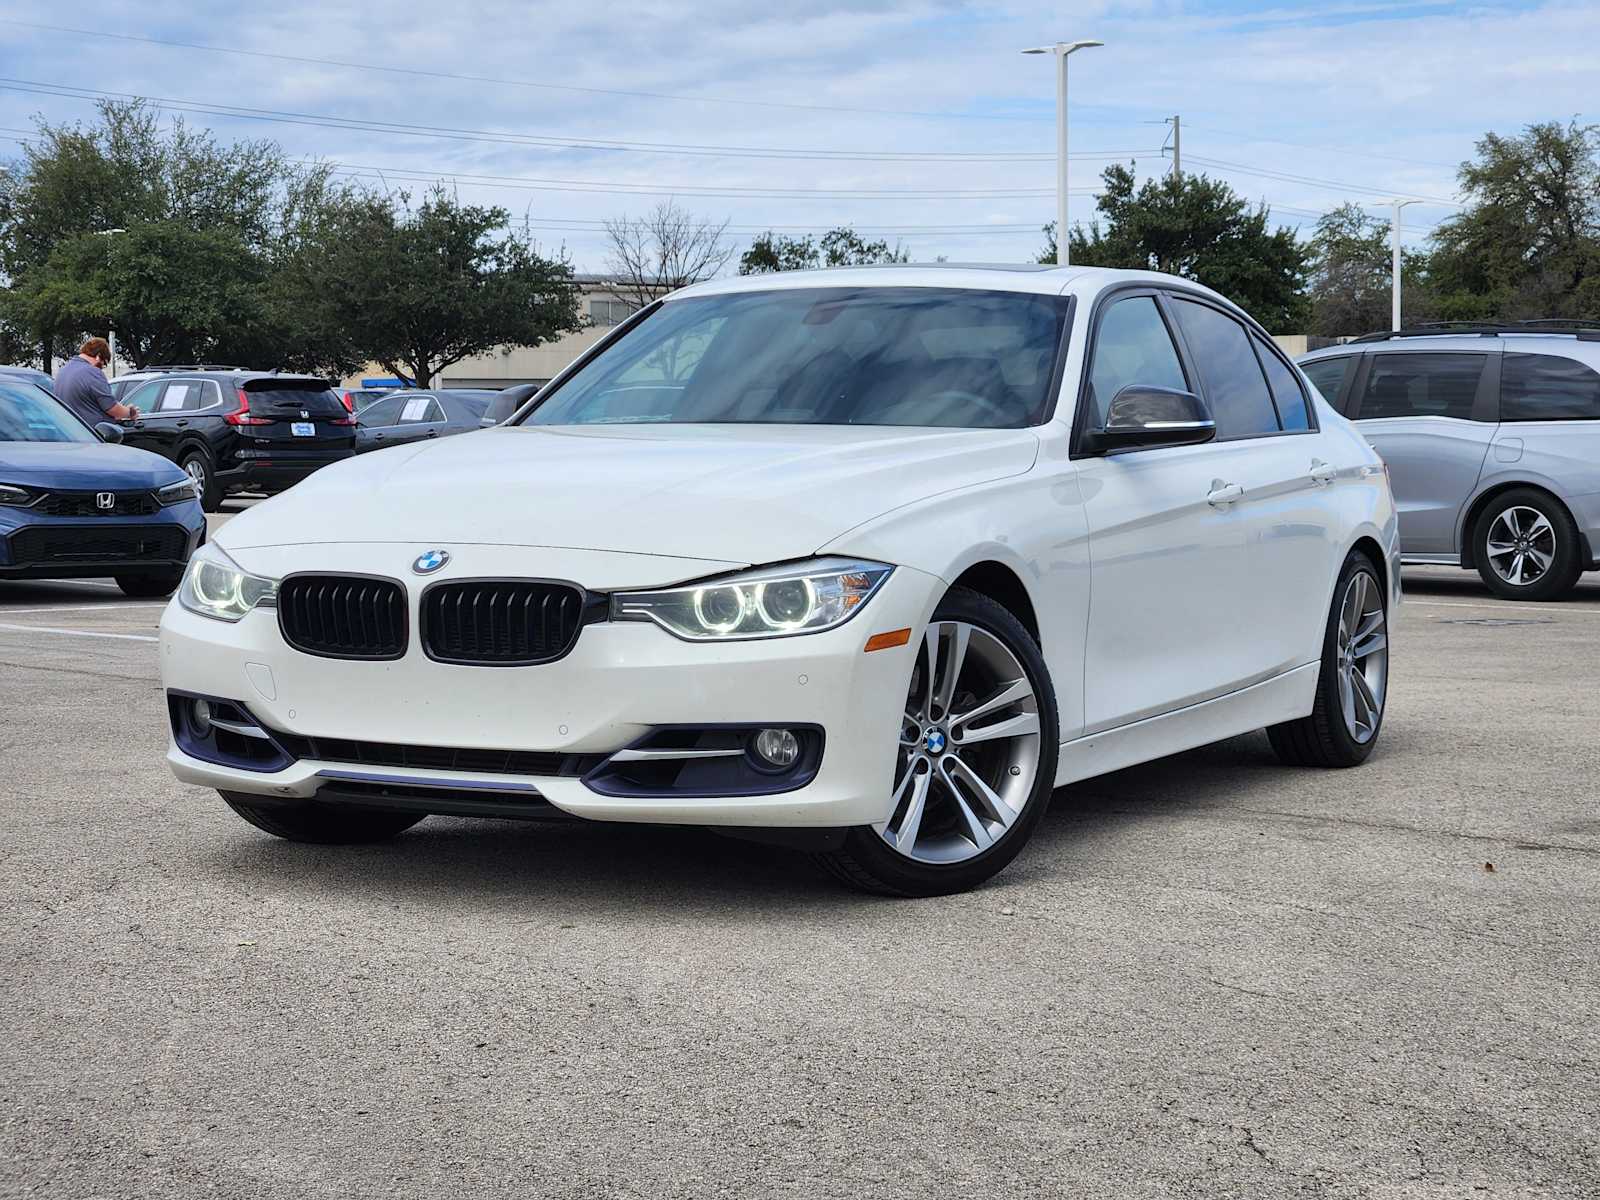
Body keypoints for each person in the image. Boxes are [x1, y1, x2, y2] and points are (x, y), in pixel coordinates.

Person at [54, 337, 139, 429]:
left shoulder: (63, 371)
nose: (101, 368)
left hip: (69, 432)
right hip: (92, 435)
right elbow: (112, 408)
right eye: (104, 364)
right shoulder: (92, 372)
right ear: (98, 356)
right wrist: (130, 412)